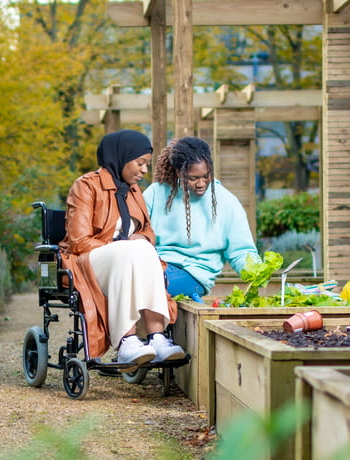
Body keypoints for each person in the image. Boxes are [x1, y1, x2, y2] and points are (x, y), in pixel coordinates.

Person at [59, 129, 185, 372]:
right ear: (122, 157)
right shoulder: (85, 186)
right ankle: (127, 341)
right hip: (87, 262)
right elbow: (78, 241)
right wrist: (124, 247)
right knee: (130, 251)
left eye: (146, 164)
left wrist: (140, 239)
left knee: (145, 249)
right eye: (140, 163)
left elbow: (148, 231)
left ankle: (157, 338)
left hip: (127, 261)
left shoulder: (133, 191)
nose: (144, 170)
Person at [143, 136, 261, 299]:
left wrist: (257, 270)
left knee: (147, 283)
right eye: (193, 178)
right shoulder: (156, 193)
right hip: (155, 264)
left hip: (194, 274)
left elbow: (241, 250)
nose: (201, 183)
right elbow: (137, 233)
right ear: (179, 172)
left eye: (206, 176)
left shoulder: (227, 202)